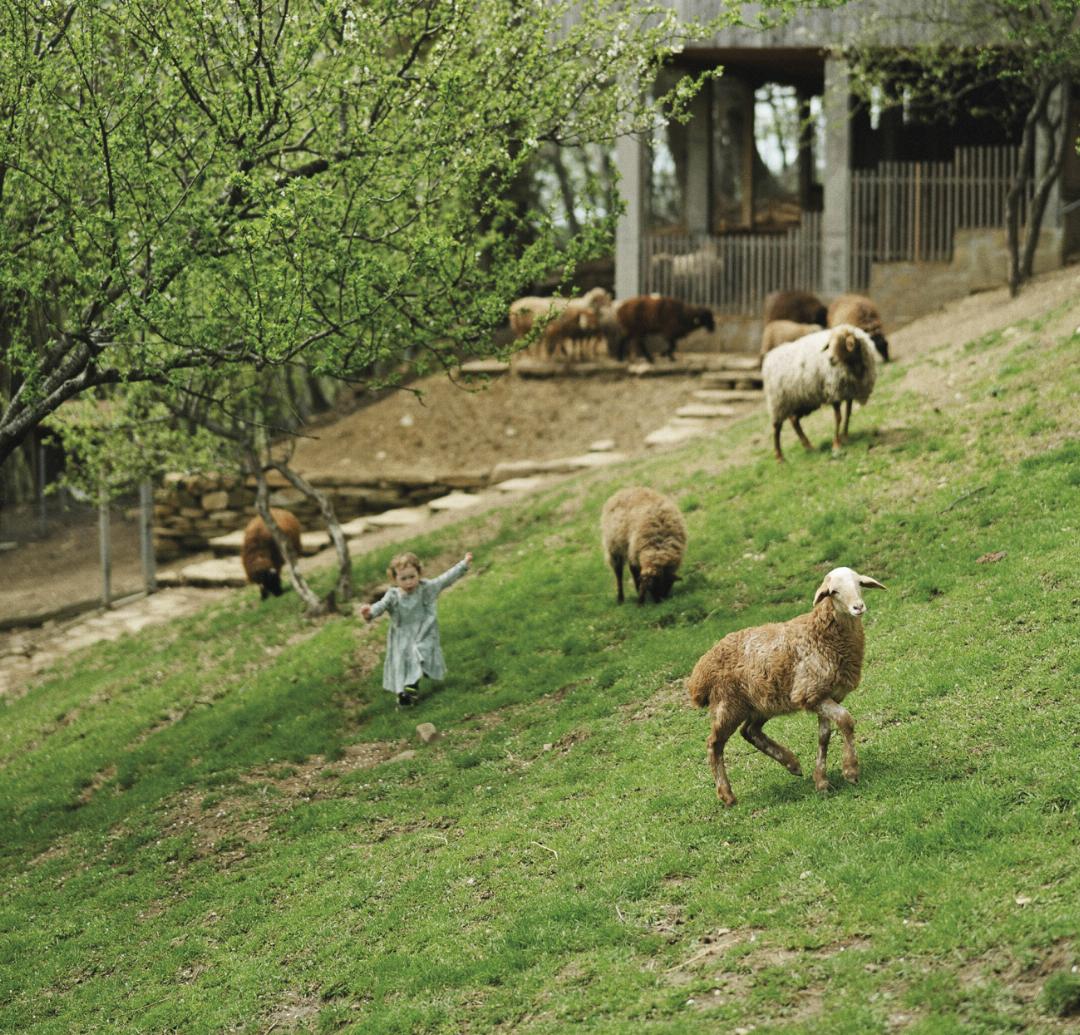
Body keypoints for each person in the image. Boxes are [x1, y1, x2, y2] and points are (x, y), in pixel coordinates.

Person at [360, 550, 473, 706]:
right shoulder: (393, 595)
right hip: (402, 635)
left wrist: (463, 565)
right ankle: (405, 693)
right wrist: (369, 613)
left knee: (419, 654)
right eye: (403, 578)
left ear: (419, 573)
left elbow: (445, 579)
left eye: (412, 577)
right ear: (395, 579)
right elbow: (380, 606)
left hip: (424, 631)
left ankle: (411, 687)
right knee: (404, 664)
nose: (408, 582)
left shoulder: (426, 588)